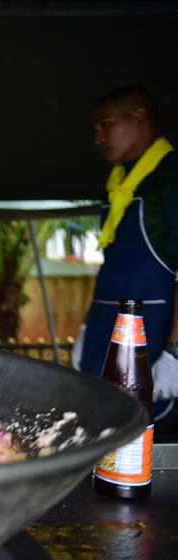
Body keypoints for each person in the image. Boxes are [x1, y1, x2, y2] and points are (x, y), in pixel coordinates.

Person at [77, 85, 178, 426]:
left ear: (139, 118)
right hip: (105, 341)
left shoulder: (171, 178)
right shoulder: (121, 185)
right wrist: (87, 328)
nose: (98, 138)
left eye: (106, 125)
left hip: (153, 344)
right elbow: (114, 270)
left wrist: (175, 354)